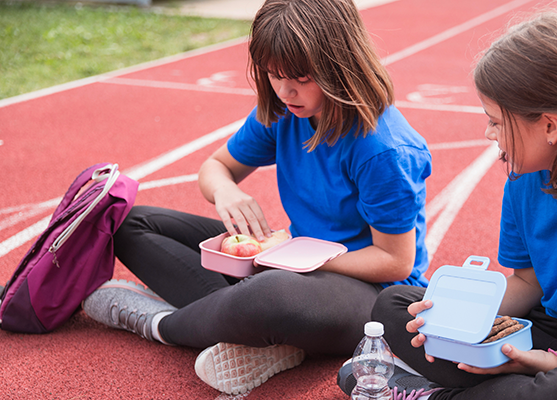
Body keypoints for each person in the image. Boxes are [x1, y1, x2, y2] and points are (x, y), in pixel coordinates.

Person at [338, 10, 557, 400]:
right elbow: (529, 282)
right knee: (397, 305)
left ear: (549, 126)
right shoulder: (525, 176)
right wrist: (451, 319)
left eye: (496, 121)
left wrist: (554, 362)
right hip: (548, 328)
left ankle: (429, 393)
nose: (488, 133)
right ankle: (491, 385)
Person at [82, 0, 432, 395]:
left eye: (299, 77)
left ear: (339, 64)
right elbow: (215, 167)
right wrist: (226, 191)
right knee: (129, 222)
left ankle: (158, 324)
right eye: (272, 74)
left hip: (370, 295)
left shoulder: (382, 149)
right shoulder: (286, 110)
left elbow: (394, 260)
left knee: (269, 296)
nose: (284, 90)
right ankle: (252, 331)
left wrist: (303, 261)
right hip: (291, 263)